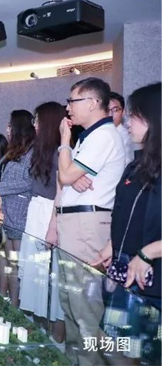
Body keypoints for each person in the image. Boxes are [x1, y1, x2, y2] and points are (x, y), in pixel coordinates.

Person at [56, 77, 126, 366]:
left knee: (85, 307)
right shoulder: (89, 137)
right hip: (76, 221)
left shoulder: (103, 136)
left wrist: (64, 142)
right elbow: (68, 177)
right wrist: (71, 175)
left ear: (94, 102)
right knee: (70, 301)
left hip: (88, 222)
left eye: (73, 101)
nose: (68, 107)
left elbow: (65, 175)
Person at [92, 83, 161, 311]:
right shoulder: (136, 165)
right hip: (126, 273)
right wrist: (112, 245)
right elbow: (126, 212)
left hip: (154, 283)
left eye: (135, 116)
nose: (128, 123)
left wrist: (148, 253)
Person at [17, 102, 67, 343]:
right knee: (34, 273)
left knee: (52, 277)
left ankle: (57, 338)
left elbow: (61, 193)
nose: (34, 124)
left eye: (37, 120)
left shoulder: (60, 153)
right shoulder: (40, 151)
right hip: (35, 211)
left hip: (49, 214)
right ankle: (38, 330)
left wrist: (52, 226)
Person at [0, 110, 35, 307]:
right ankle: (9, 302)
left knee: (17, 265)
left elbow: (28, 182)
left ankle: (19, 306)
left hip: (20, 214)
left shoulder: (32, 152)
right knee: (10, 264)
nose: (7, 129)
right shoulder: (12, 152)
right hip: (4, 214)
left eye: (10, 126)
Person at [109, 92, 135, 165]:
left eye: (115, 110)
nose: (110, 114)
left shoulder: (128, 138)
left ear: (123, 112)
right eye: (106, 110)